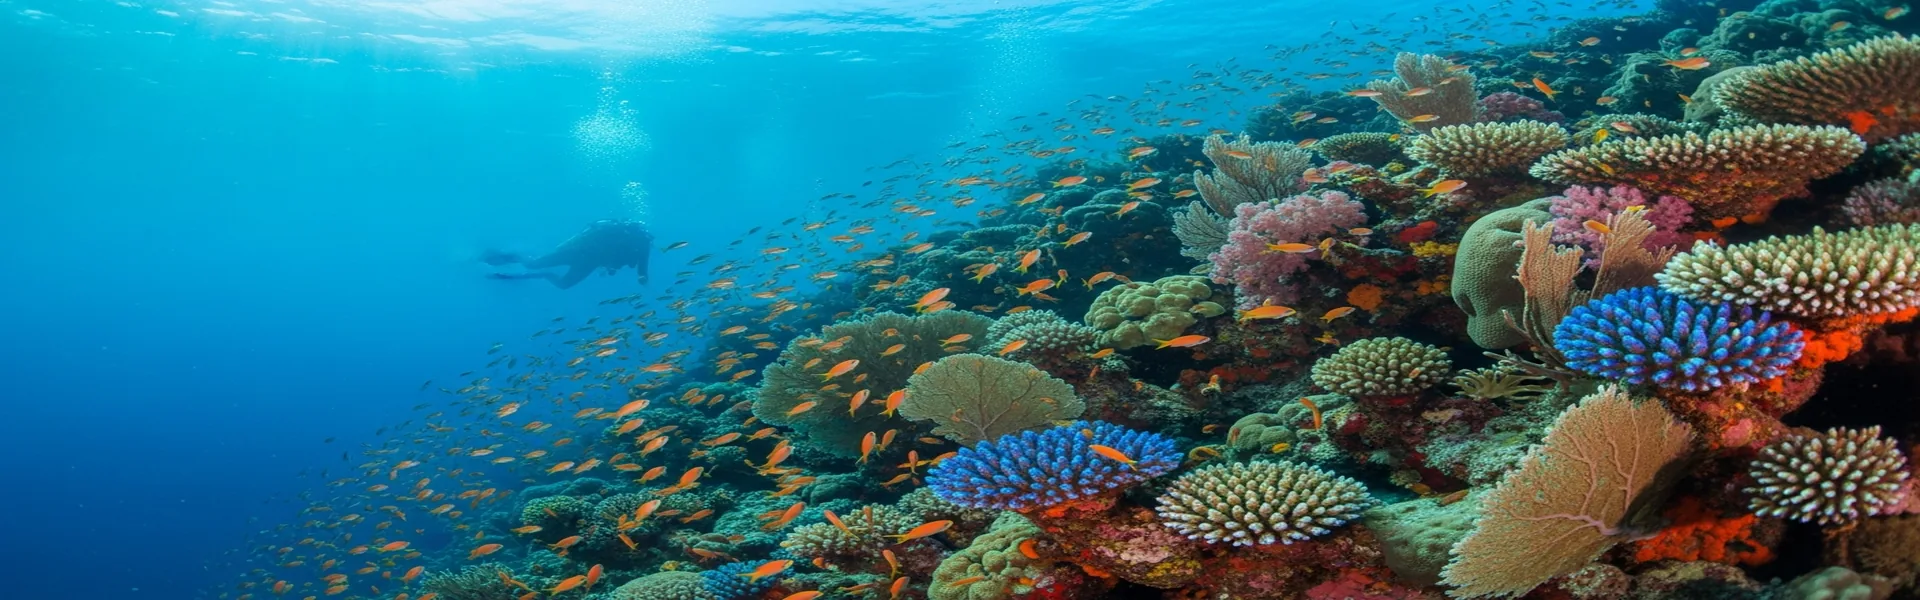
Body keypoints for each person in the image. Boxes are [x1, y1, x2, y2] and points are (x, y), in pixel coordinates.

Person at [483, 219, 653, 289]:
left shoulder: (642, 244)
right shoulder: (629, 238)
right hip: (577, 252)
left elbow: (643, 267)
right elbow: (643, 267)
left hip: (587, 261)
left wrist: (642, 277)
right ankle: (500, 256)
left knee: (563, 284)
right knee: (533, 264)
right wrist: (642, 276)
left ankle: (538, 273)